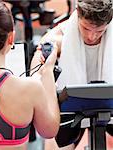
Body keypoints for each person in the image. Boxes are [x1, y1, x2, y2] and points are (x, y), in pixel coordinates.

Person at [32, 0, 113, 149]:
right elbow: (34, 79)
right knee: (55, 143)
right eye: (86, 28)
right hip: (68, 111)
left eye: (100, 31)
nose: (91, 36)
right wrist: (44, 63)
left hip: (109, 112)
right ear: (78, 14)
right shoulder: (56, 38)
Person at [0, 0, 60, 149]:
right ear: (11, 38)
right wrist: (47, 72)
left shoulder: (30, 87)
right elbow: (49, 130)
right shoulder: (30, 89)